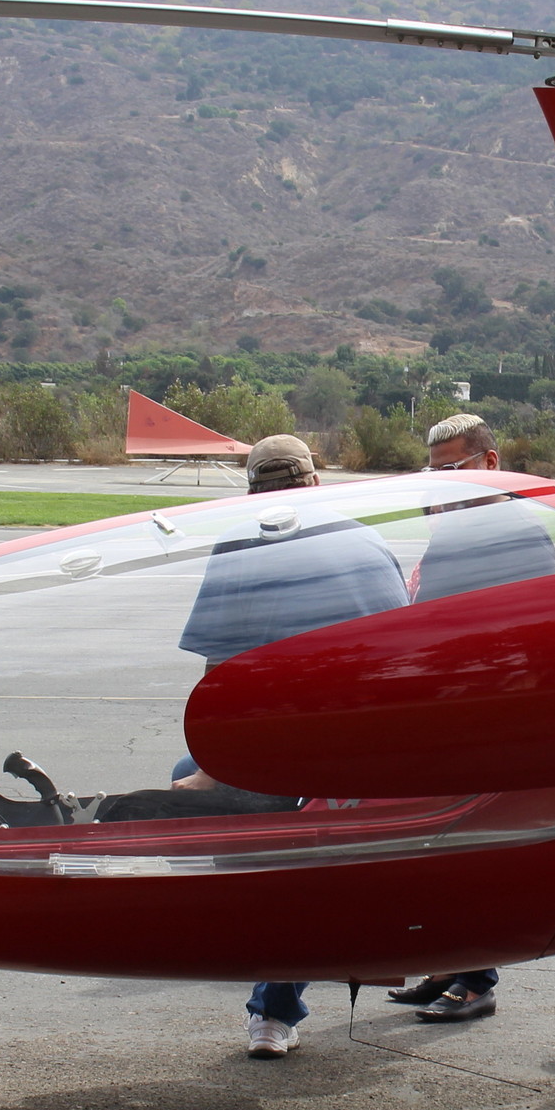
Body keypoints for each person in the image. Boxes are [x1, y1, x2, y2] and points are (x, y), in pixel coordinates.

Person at [177, 434, 411, 1058]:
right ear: (314, 481)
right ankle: (278, 996)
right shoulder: (368, 539)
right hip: (372, 747)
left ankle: (271, 1002)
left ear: (255, 491)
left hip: (306, 751)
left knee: (218, 811)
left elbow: (217, 676)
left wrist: (209, 769)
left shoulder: (240, 542)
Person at [382, 414, 554, 1023]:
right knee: (437, 850)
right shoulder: (459, 531)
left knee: (471, 853)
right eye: (433, 472)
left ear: (489, 462)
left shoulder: (516, 534)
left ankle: (476, 978)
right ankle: (449, 966)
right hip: (446, 712)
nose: (440, 484)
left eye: (451, 469)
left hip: (485, 717)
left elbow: (523, 640)